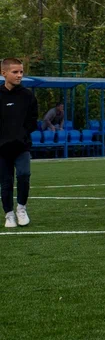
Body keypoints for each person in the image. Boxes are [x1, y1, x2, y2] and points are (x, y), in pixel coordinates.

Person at [0, 58, 37, 228]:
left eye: (21, 72)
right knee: (6, 182)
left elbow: (33, 120)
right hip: (2, 149)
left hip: (22, 147)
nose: (19, 75)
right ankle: (8, 215)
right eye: (15, 72)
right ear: (4, 73)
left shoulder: (28, 95)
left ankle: (21, 208)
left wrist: (22, 134)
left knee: (24, 175)